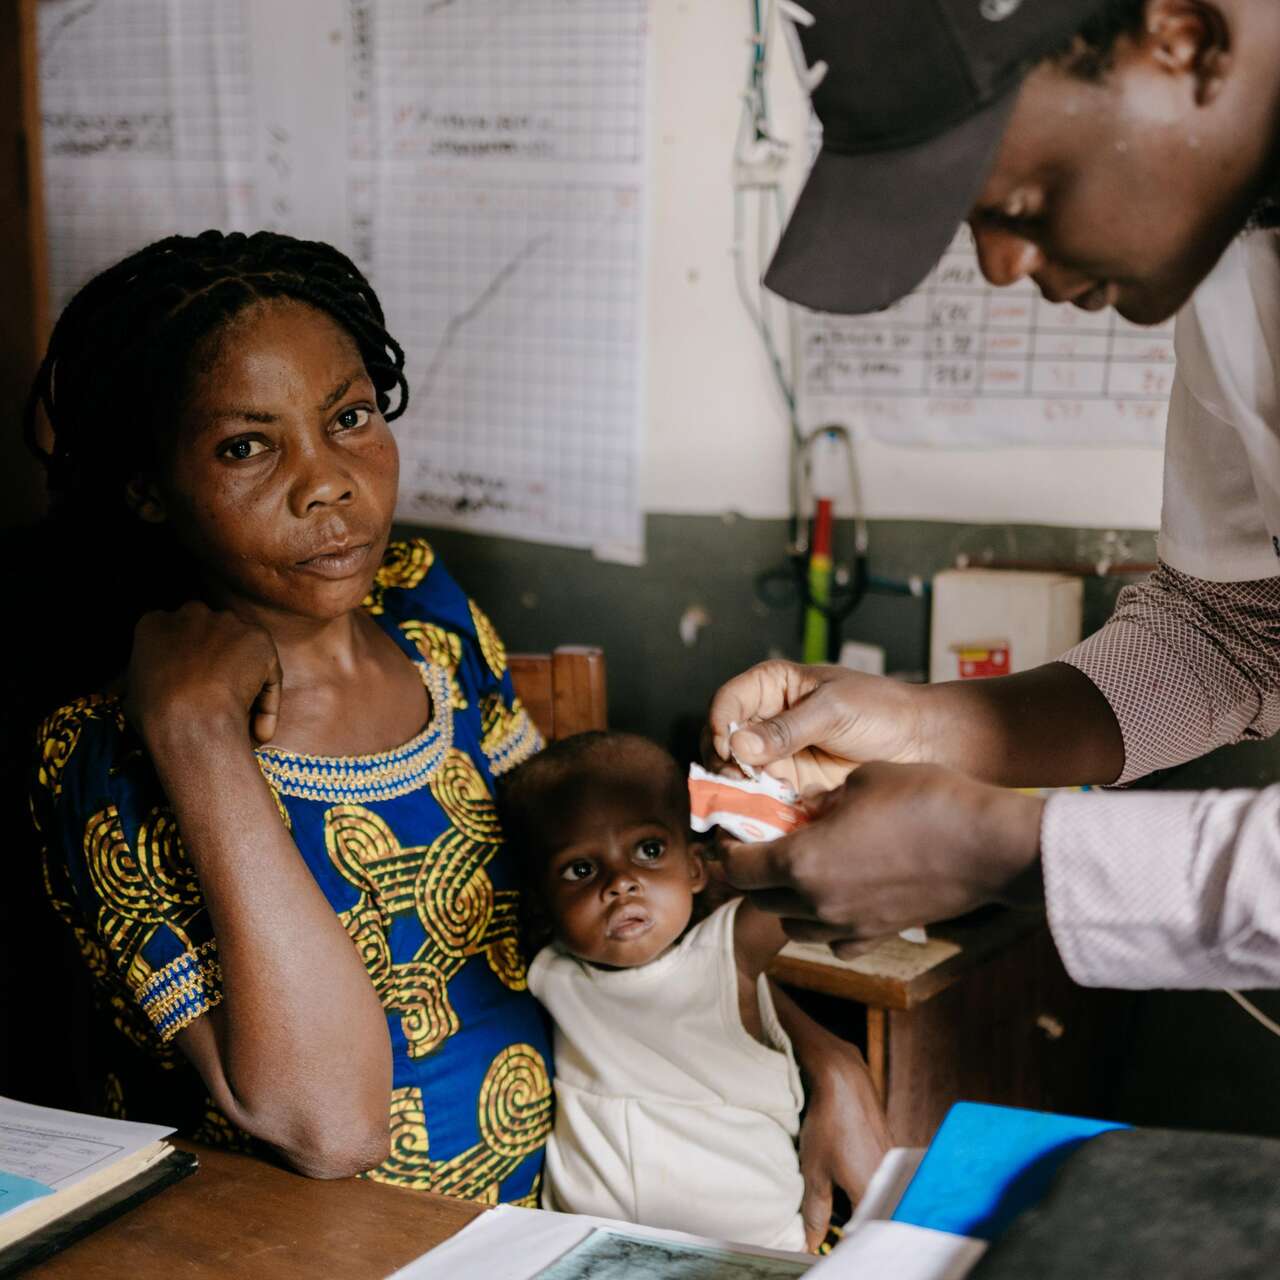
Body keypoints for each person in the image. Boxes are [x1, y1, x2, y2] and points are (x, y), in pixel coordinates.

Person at [24, 230, 881, 1213]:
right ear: (147, 486)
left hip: (563, 1209)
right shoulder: (107, 762)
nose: (325, 482)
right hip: (306, 1251)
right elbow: (329, 1128)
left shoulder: (424, 614)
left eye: (347, 417)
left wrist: (813, 1053)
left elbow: (604, 911)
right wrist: (199, 740)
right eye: (246, 445)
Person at [707, 0, 1280, 991]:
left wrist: (1001, 848)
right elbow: (1235, 628)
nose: (998, 266)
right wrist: (928, 727)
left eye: (1011, 197)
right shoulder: (1230, 241)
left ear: (1180, 38)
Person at [501, 731, 883, 1253]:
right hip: (593, 1256)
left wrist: (748, 796)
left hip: (752, 1257)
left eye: (649, 850)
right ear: (545, 905)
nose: (621, 882)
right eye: (581, 869)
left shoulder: (728, 951)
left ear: (695, 869)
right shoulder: (551, 973)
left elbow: (821, 870)